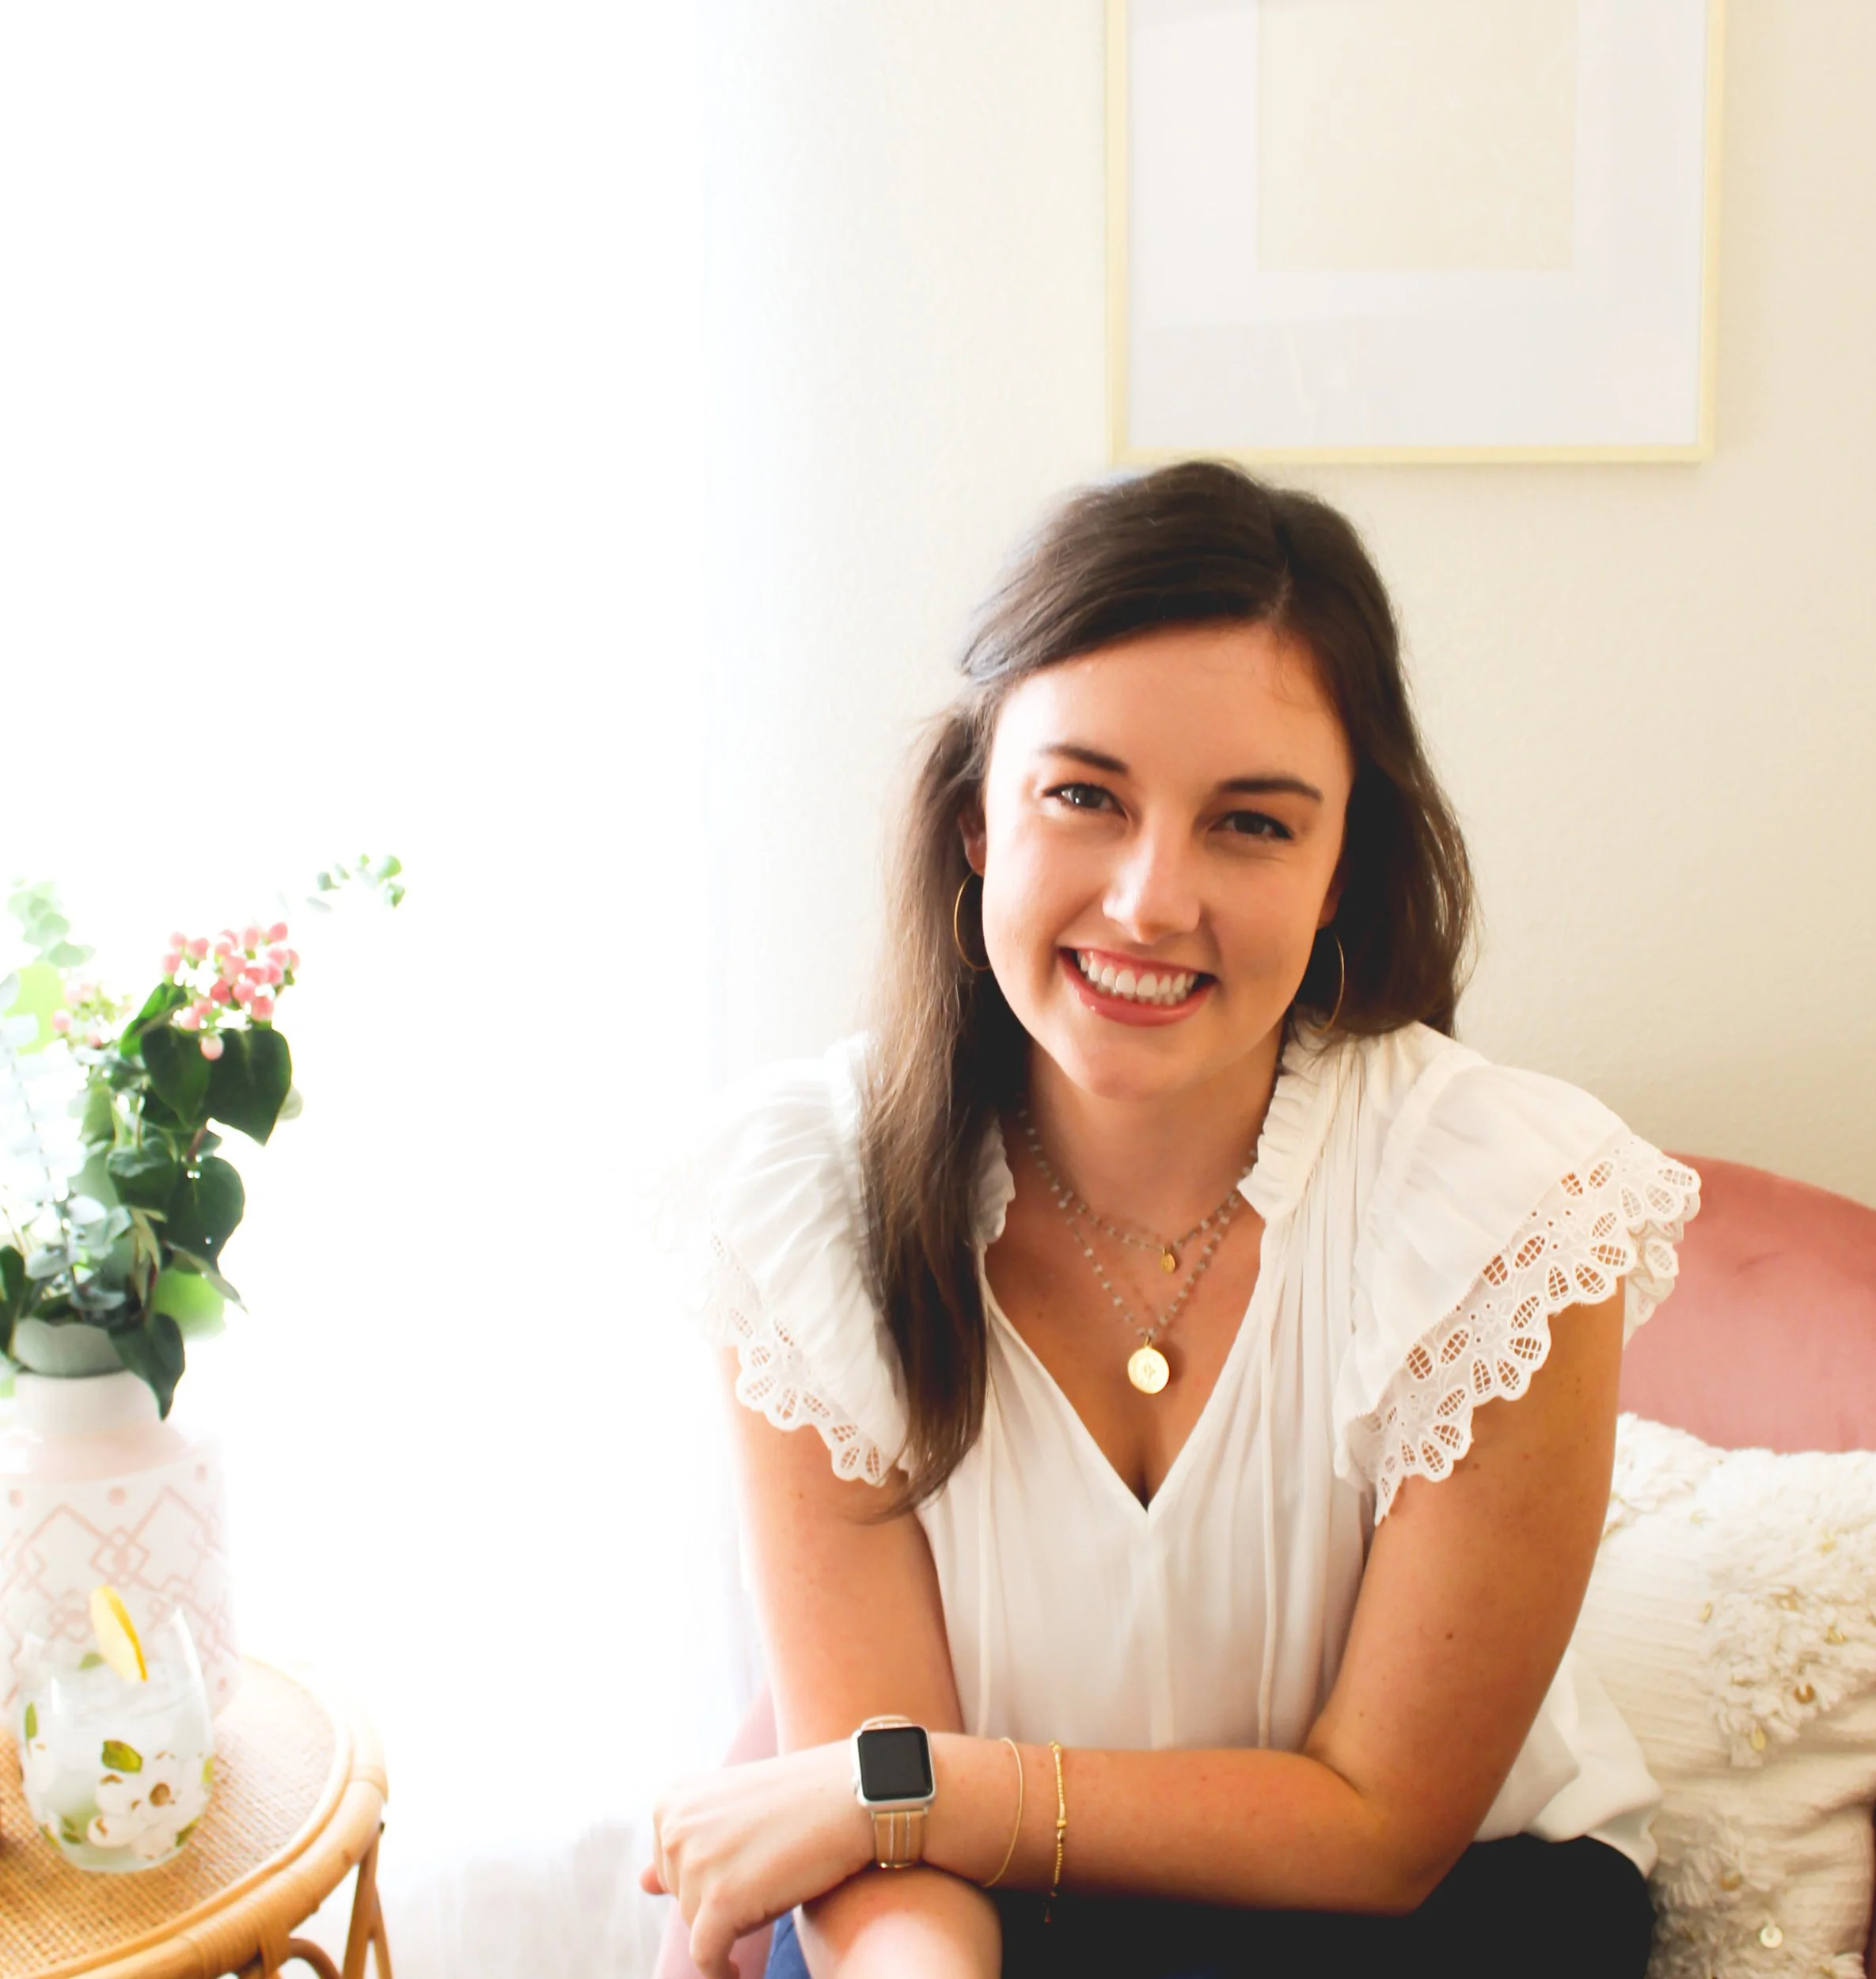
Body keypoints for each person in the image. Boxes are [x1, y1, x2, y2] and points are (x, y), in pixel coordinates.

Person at [643, 460, 1700, 1979]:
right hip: (978, 1903)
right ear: (974, 823)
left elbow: (1380, 1830)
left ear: (1344, 871)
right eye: (1084, 796)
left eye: (1252, 826)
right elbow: (885, 1863)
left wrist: (927, 1791)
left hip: (1444, 1906)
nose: (1149, 901)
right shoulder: (804, 1199)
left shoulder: (1510, 1207)